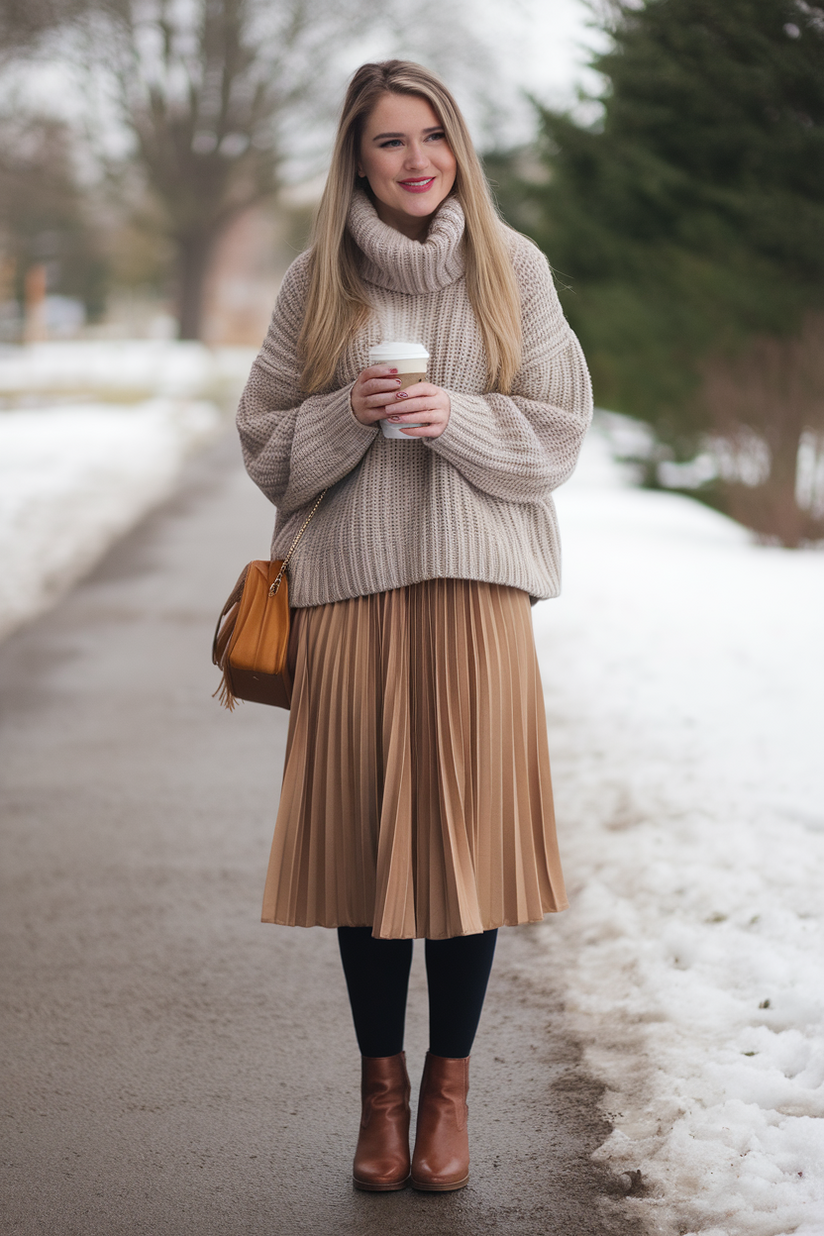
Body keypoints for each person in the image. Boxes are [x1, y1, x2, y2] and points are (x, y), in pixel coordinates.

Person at [236, 59, 592, 1193]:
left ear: (458, 146)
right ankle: (378, 1099)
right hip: (347, 599)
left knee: (461, 852)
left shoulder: (509, 267)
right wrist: (348, 414)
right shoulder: (316, 284)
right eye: (388, 141)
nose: (415, 159)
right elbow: (263, 444)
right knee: (367, 853)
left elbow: (556, 431)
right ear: (355, 156)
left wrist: (456, 419)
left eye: (430, 135)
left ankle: (449, 1092)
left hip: (476, 600)